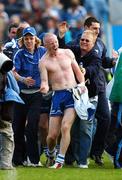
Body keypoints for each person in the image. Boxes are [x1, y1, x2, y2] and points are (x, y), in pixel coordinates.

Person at [58, 16, 116, 166]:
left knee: (105, 118)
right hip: (78, 88)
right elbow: (63, 51)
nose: (97, 31)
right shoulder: (76, 44)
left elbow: (101, 61)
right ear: (86, 28)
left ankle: (96, 153)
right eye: (94, 28)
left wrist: (112, 61)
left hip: (97, 87)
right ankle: (71, 156)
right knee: (75, 124)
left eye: (98, 28)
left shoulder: (100, 44)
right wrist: (62, 37)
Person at [39, 33, 85, 169]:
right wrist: (44, 87)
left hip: (72, 94)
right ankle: (51, 153)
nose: (55, 45)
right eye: (51, 43)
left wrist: (81, 84)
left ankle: (60, 161)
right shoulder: (43, 62)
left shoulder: (68, 53)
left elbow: (78, 73)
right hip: (57, 96)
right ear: (45, 45)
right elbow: (45, 82)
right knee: (52, 136)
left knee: (66, 127)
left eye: (55, 42)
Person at [12, 26, 46, 167]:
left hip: (37, 94)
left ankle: (33, 159)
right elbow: (13, 72)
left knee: (32, 126)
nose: (29, 41)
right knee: (17, 127)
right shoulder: (19, 54)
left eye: (31, 38)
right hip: (21, 95)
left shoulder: (42, 51)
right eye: (26, 38)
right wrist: (23, 79)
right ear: (23, 40)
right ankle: (18, 159)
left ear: (35, 39)